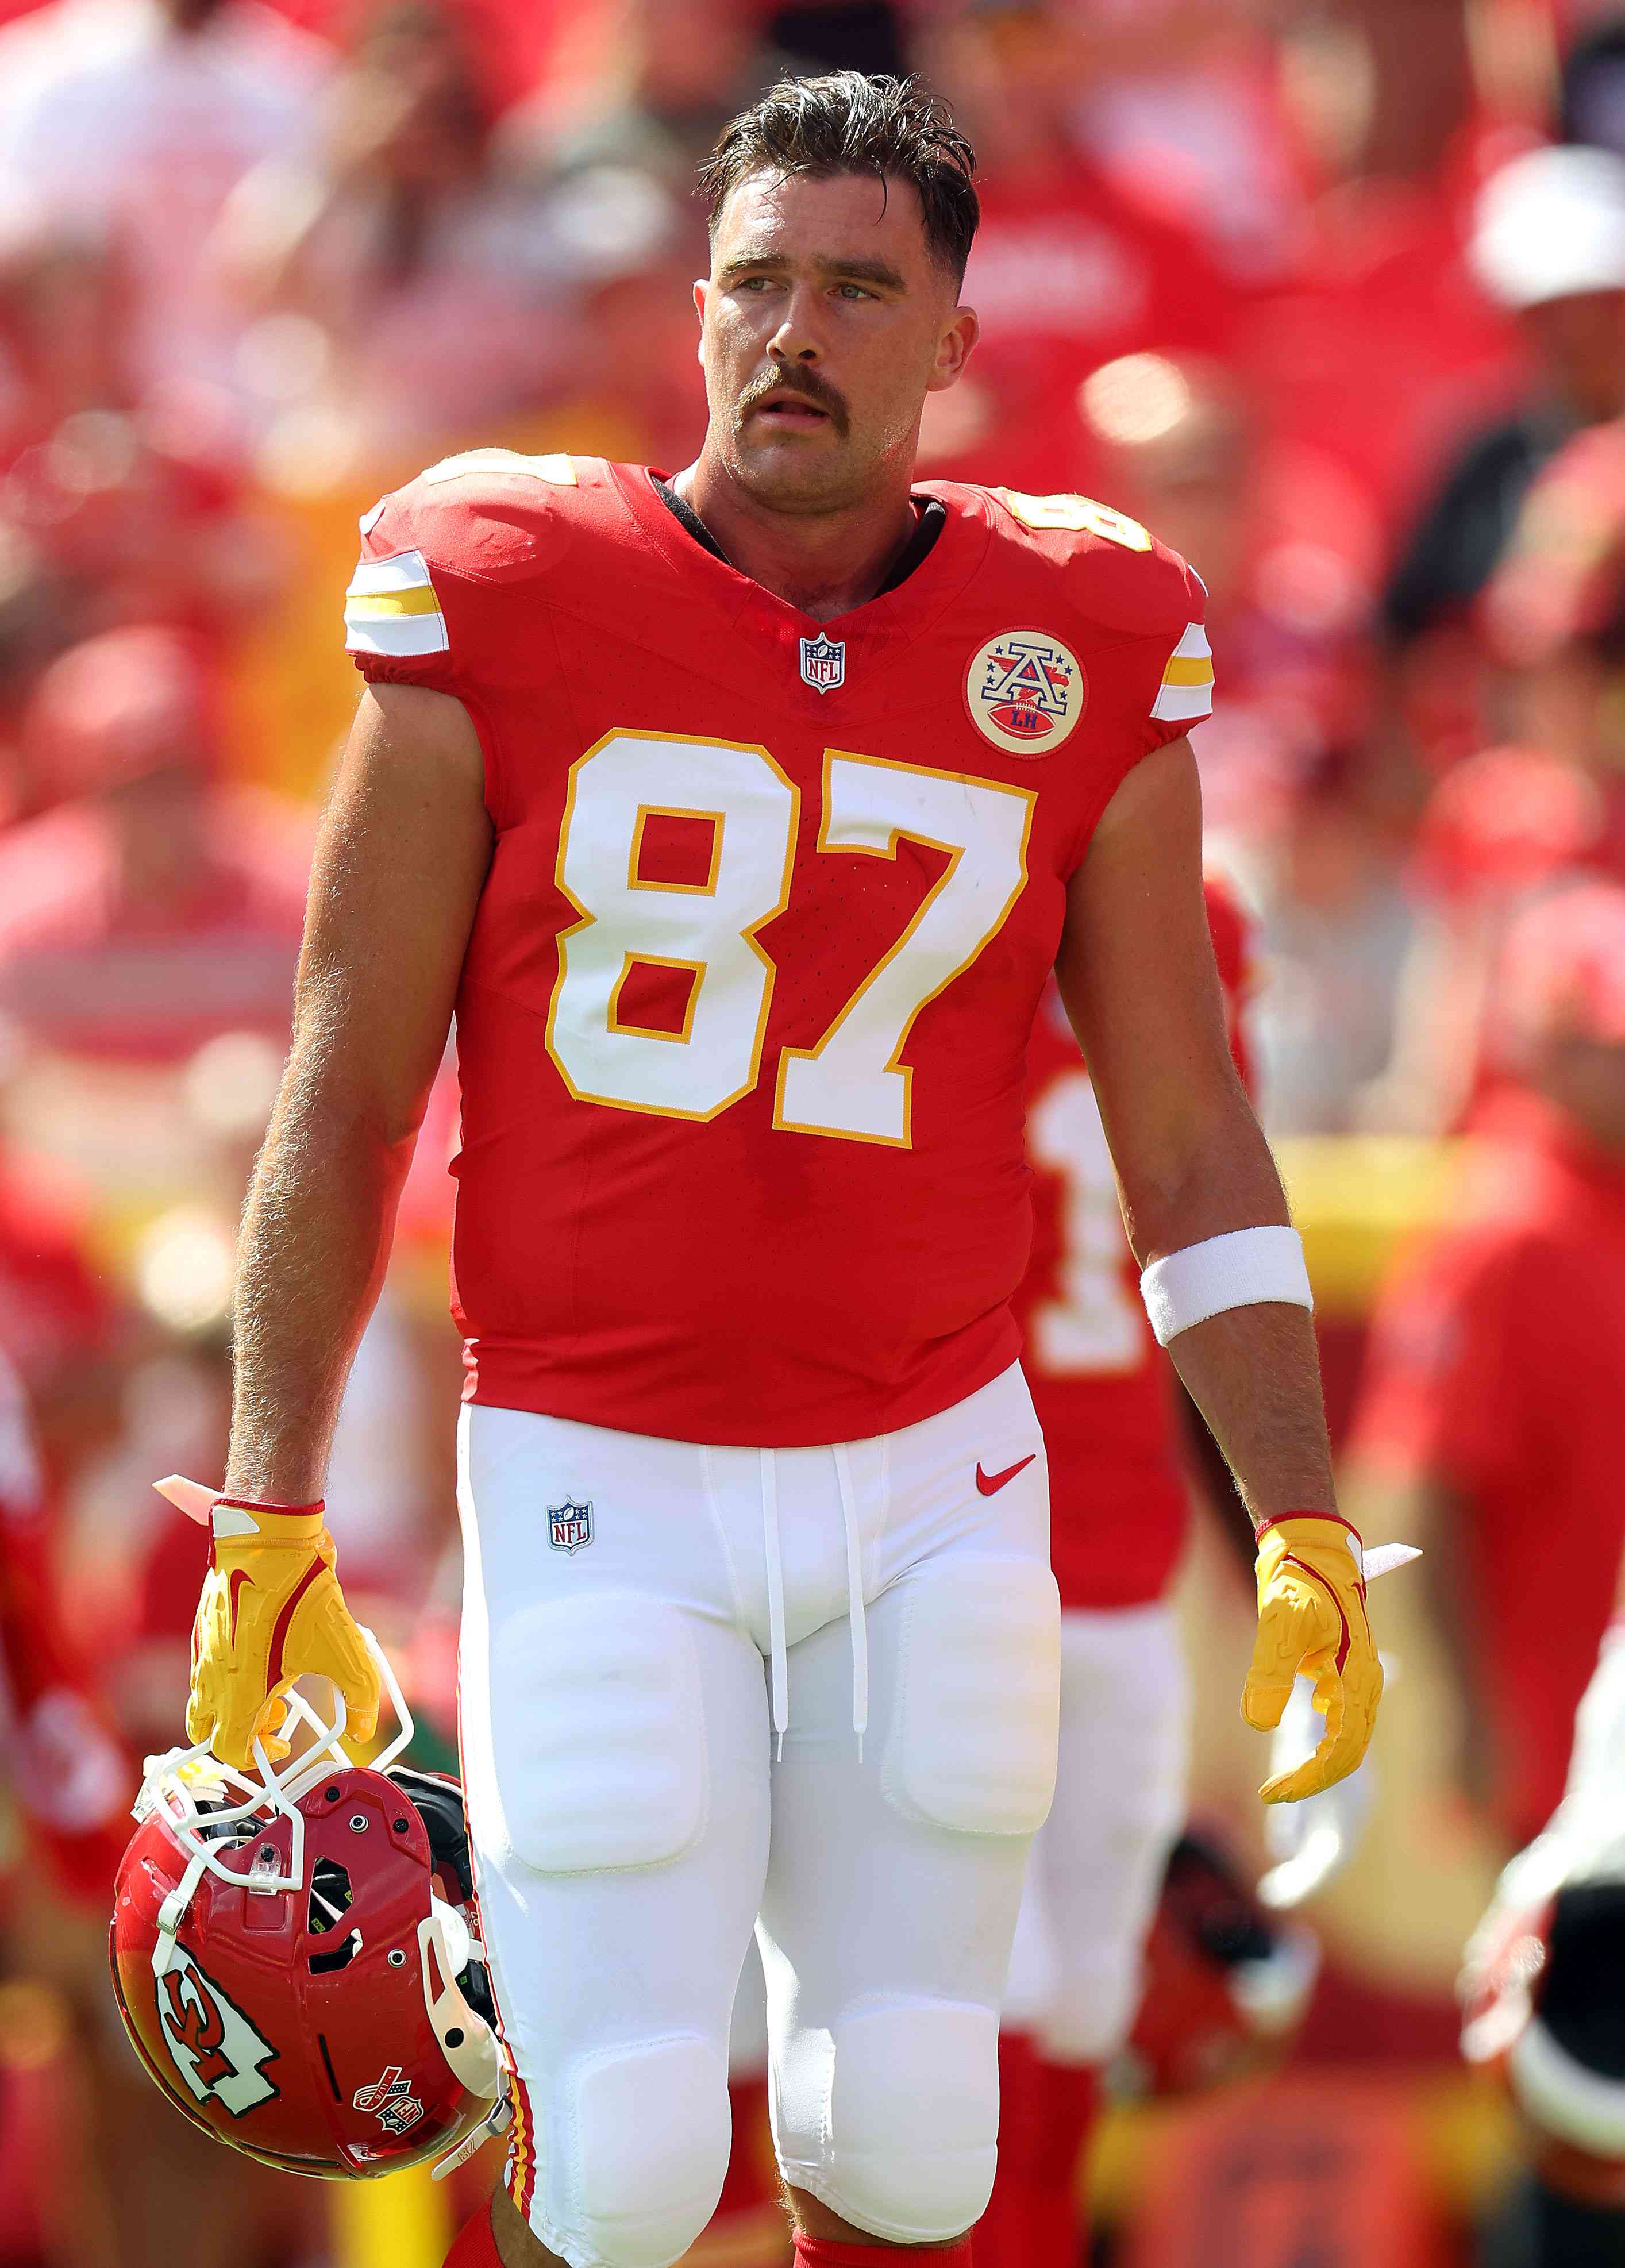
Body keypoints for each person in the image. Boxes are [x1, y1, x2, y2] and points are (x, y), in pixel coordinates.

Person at [179, 72, 1392, 2268]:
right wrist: (268, 1497)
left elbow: (1183, 1126)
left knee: (917, 2141)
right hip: (595, 1456)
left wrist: (1296, 1501)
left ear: (953, 336)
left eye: (854, 287)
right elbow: (340, 1093)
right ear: (695, 310)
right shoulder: (505, 585)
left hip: (938, 1456)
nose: (789, 334)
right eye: (753, 281)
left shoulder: (1083, 629)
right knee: (634, 2167)